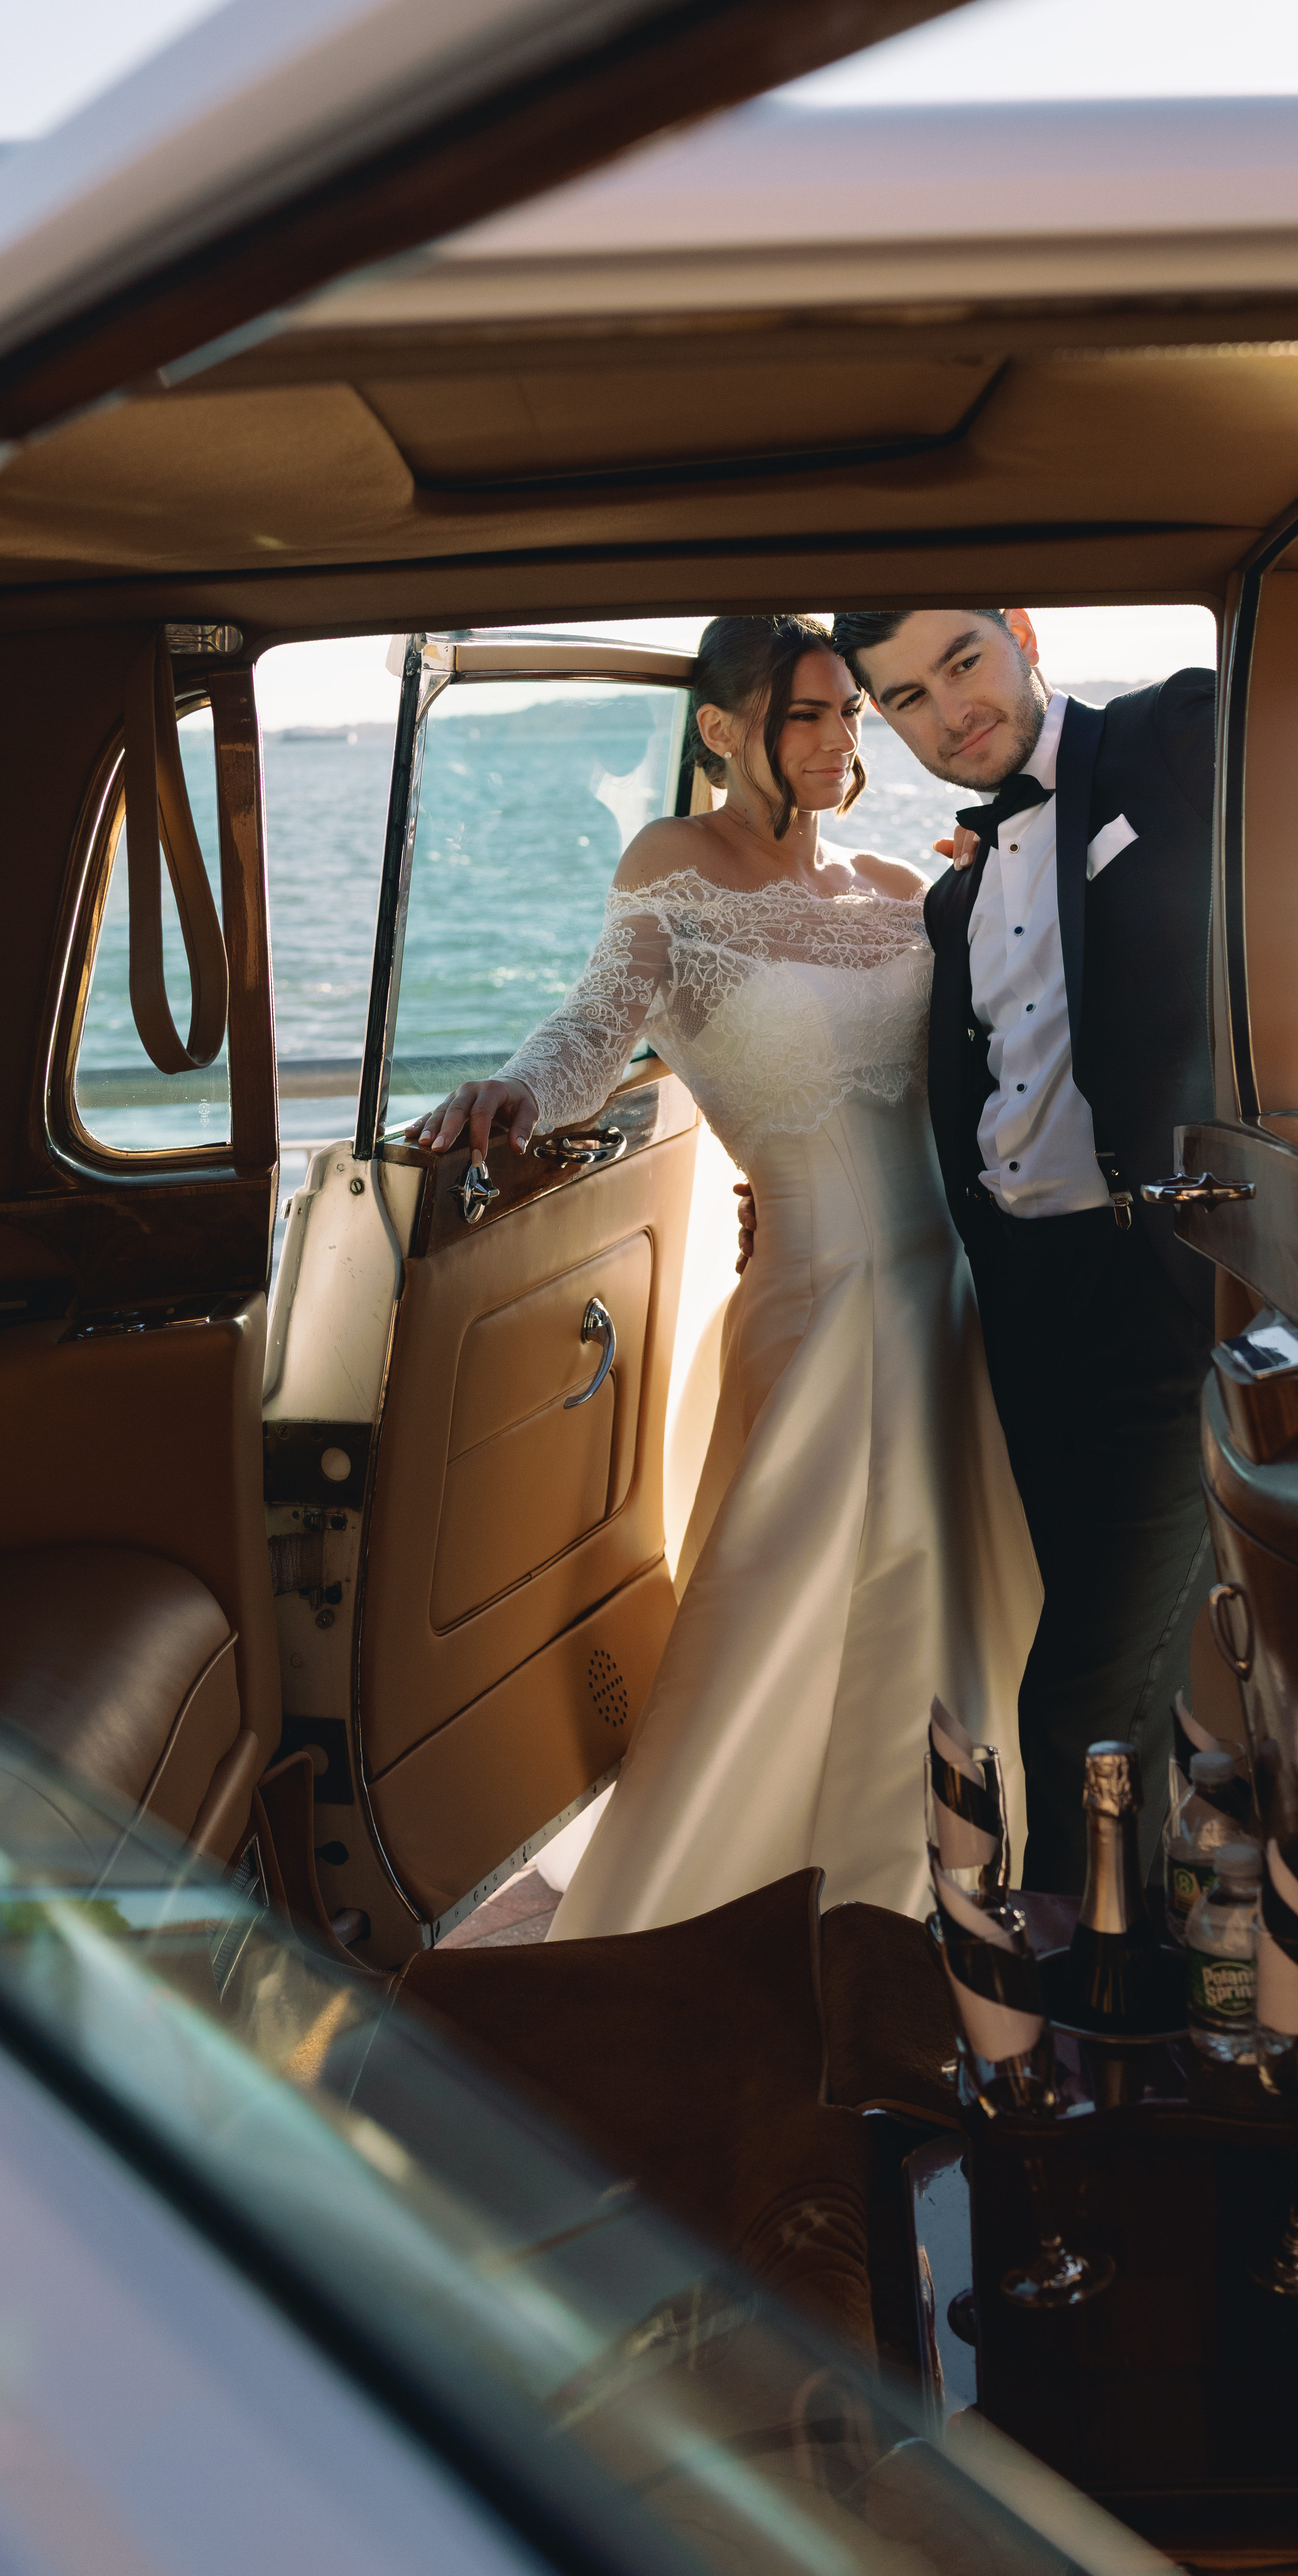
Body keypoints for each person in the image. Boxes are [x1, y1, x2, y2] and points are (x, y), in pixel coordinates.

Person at [826, 606, 1298, 1888]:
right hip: (1025, 1312)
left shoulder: (1171, 737)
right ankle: (1166, 1944)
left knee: (1079, 1695)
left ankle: (1078, 1980)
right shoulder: (955, 892)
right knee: (1116, 1649)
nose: (951, 712)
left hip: (1163, 1301)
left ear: (1023, 636)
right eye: (906, 698)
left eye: (964, 661)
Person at [410, 615, 1038, 1939]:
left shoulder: (893, 881)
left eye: (850, 713)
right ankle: (786, 1894)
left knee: (964, 1597)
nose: (839, 740)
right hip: (822, 1305)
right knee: (805, 1612)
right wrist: (515, 1091)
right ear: (720, 730)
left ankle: (963, 1879)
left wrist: (998, 882)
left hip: (957, 1297)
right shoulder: (674, 867)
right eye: (805, 715)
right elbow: (596, 1026)